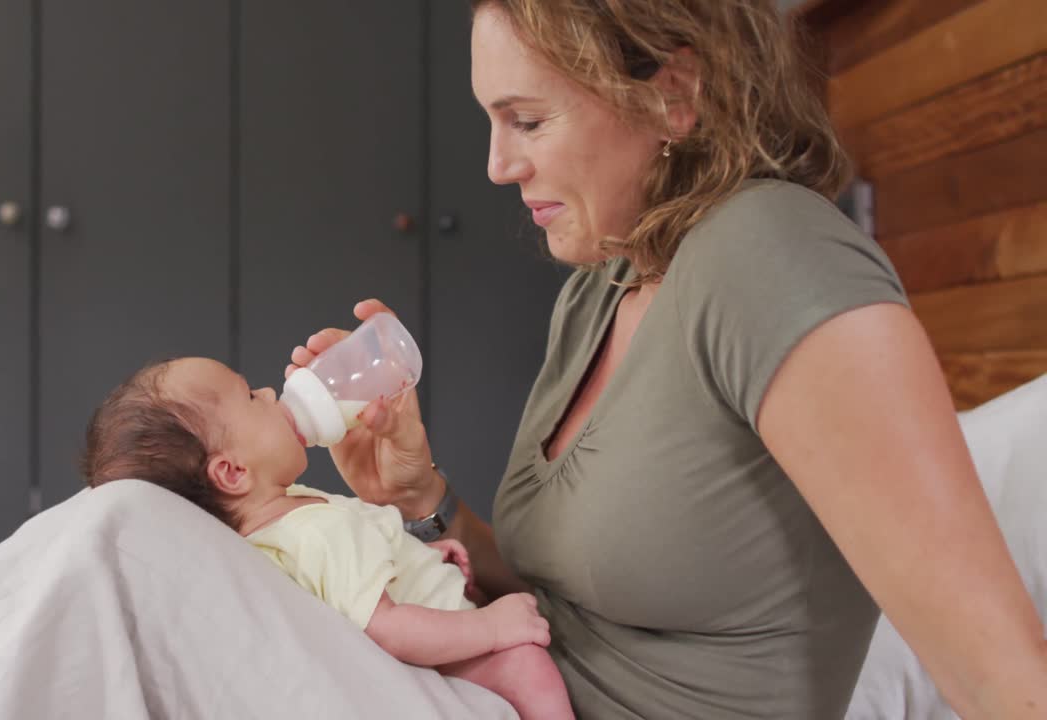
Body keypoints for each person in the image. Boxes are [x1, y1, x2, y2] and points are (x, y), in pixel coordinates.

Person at [285, 1, 1047, 718]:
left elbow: (1002, 684)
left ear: (672, 95)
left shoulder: (774, 261)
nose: (497, 165)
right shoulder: (602, 285)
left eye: (526, 119)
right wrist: (423, 501)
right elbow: (563, 607)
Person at [79, 357, 575, 719]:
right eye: (252, 396)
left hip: (438, 621)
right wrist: (493, 627)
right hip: (449, 656)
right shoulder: (316, 530)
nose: (274, 395)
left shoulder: (274, 529)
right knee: (528, 667)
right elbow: (390, 628)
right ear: (232, 472)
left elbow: (344, 590)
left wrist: (413, 559)